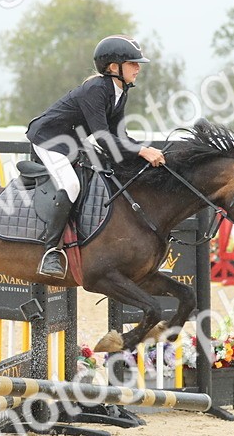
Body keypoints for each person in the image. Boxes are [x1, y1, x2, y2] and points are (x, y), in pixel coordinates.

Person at [25, 35, 165, 278]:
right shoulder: (96, 89)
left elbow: (119, 136)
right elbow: (102, 136)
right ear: (113, 67)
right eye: (133, 63)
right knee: (71, 184)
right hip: (48, 140)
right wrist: (141, 150)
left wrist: (142, 151)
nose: (138, 68)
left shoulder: (119, 93)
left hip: (71, 142)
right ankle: (50, 252)